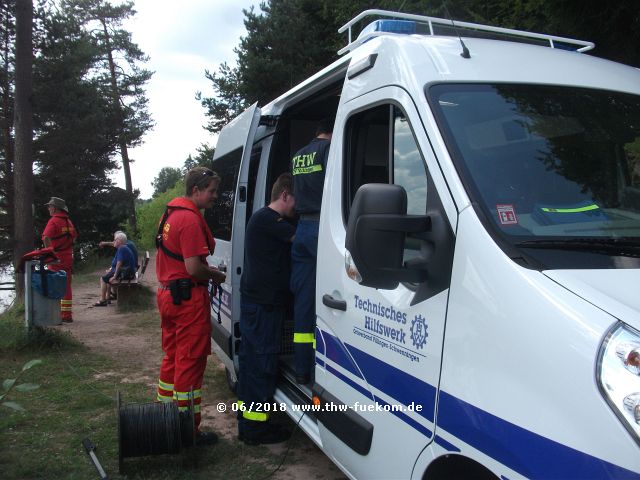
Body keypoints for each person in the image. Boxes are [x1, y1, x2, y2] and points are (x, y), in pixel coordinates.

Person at [155, 166, 226, 446]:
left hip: (168, 296)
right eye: (211, 191)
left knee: (172, 357)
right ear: (195, 190)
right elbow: (194, 268)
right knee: (190, 363)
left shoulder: (169, 215)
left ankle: (165, 418)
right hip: (187, 300)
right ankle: (186, 432)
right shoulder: (190, 220)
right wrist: (216, 275)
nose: (215, 196)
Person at [237, 173, 296, 445]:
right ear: (284, 195)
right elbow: (302, 238)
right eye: (297, 199)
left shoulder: (266, 220)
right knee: (261, 366)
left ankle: (251, 426)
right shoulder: (269, 220)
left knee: (254, 365)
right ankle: (256, 430)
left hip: (259, 305)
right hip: (262, 308)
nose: (298, 206)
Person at [290, 118, 333, 384]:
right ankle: (324, 375)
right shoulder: (328, 150)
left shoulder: (298, 156)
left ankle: (302, 369)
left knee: (304, 301)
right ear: (330, 132)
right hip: (321, 227)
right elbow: (334, 187)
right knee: (332, 300)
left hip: (303, 228)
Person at [42, 197, 77, 323]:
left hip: (56, 258)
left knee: (54, 285)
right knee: (66, 286)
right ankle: (67, 315)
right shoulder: (69, 222)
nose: (48, 208)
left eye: (49, 206)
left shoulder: (53, 221)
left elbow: (46, 237)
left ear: (55, 208)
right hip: (68, 257)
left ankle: (54, 314)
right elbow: (73, 238)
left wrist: (49, 253)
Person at [93, 231, 136, 307]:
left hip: (125, 273)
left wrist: (115, 276)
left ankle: (103, 301)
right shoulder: (122, 247)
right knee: (108, 275)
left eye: (115, 240)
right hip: (127, 272)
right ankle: (108, 298)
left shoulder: (122, 248)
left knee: (103, 279)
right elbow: (118, 263)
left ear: (119, 241)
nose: (113, 242)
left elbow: (119, 264)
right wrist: (112, 270)